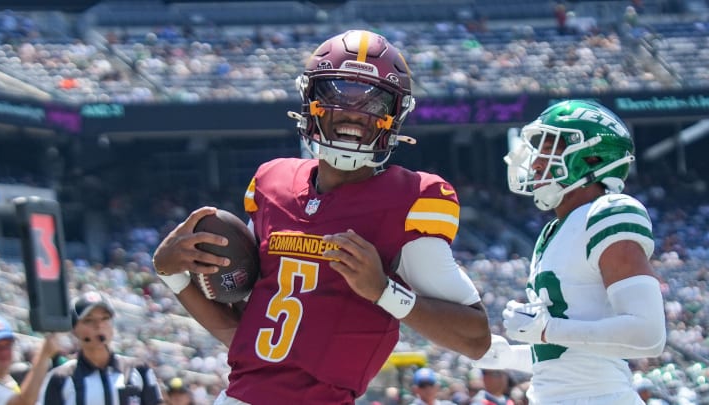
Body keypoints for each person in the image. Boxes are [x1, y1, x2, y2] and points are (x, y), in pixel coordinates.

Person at [152, 29, 491, 404]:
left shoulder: (411, 200)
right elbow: (245, 335)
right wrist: (173, 276)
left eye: (375, 101)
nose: (355, 113)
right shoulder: (272, 183)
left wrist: (383, 291)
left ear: (396, 114)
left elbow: (476, 338)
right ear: (309, 99)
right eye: (337, 93)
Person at [473, 99, 666, 404]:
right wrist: (512, 355)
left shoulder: (609, 212)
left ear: (590, 158)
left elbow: (648, 334)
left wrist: (547, 329)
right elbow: (570, 359)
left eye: (549, 149)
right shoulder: (552, 232)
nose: (536, 163)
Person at [39, 291, 164, 405]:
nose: (99, 325)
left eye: (105, 318)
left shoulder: (138, 370)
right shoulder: (60, 378)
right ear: (74, 329)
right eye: (88, 320)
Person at [0, 314, 61, 405]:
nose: (4, 352)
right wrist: (43, 355)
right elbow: (24, 403)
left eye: (7, 345)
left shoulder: (7, 380)